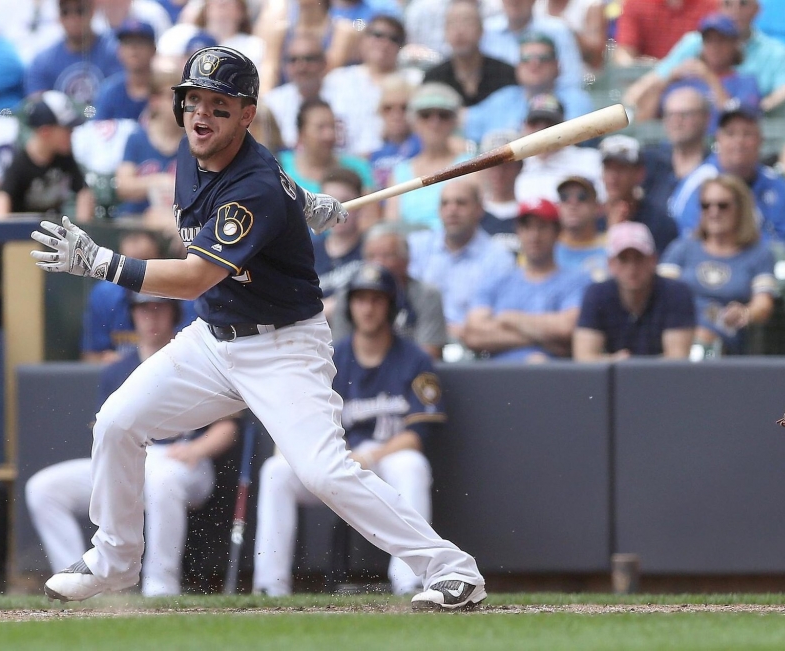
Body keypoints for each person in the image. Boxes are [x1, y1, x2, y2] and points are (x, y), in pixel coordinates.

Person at [31, 45, 486, 610]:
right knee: (118, 422)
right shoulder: (200, 154)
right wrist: (304, 201)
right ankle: (115, 558)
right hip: (214, 338)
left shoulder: (257, 187)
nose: (202, 116)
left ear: (246, 115)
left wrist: (105, 264)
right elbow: (277, 185)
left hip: (283, 346)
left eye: (219, 106)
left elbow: (195, 275)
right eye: (193, 100)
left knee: (322, 473)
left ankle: (450, 568)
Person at [26, 293, 239, 597]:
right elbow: (104, 432)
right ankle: (83, 584)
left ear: (173, 312)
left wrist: (196, 450)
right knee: (44, 488)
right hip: (131, 457)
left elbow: (227, 427)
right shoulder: (116, 369)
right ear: (133, 315)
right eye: (144, 310)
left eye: (159, 308)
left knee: (161, 478)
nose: (151, 317)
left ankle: (160, 586)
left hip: (180, 458)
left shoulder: (195, 362)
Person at [252, 263, 445, 596]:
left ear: (391, 306)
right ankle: (270, 585)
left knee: (412, 465)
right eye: (360, 299)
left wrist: (371, 455)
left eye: (376, 300)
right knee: (275, 471)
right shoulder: (329, 357)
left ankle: (410, 580)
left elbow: (418, 436)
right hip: (335, 459)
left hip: (384, 458)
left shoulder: (415, 359)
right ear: (349, 305)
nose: (367, 308)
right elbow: (301, 418)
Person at [659, 174, 777, 354]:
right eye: (706, 205)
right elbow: (658, 292)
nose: (714, 212)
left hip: (727, 338)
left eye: (723, 205)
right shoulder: (682, 249)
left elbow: (763, 304)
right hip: (678, 330)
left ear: (741, 208)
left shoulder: (759, 254)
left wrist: (745, 313)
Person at [461, 198, 590, 361]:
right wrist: (545, 339)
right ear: (518, 231)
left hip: (552, 378)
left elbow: (567, 329)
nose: (534, 236)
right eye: (527, 227)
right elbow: (473, 334)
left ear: (557, 232)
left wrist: (508, 318)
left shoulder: (577, 281)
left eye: (542, 227)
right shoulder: (496, 281)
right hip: (496, 378)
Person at [633, 0, 785, 113]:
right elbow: (653, 81)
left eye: (743, 3)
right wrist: (668, 80)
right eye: (728, 3)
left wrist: (756, 111)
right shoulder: (692, 43)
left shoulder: (771, 57)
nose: (736, 9)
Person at [670, 101, 785, 247]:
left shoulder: (779, 186)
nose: (739, 141)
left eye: (747, 134)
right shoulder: (697, 184)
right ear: (718, 139)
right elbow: (689, 242)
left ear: (761, 140)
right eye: (731, 133)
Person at [408, 178, 516, 340]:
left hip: (471, 348)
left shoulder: (499, 258)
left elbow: (501, 317)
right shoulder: (416, 246)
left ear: (479, 210)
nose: (452, 210)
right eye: (445, 204)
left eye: (461, 203)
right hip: (418, 340)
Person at [573, 221, 696, 360]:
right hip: (621, 378)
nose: (632, 268)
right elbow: (583, 357)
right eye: (623, 259)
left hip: (661, 381)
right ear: (610, 264)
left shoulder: (676, 293)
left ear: (653, 260)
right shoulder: (596, 294)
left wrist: (625, 366)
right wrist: (617, 363)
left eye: (639, 258)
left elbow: (677, 359)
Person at [331, 224, 448, 359]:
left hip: (408, 375)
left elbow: (429, 354)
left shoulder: (427, 295)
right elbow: (339, 353)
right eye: (371, 256)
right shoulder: (348, 294)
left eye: (387, 256)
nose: (378, 263)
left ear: (406, 260)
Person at [81, 229, 197, 362]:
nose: (133, 273)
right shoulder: (105, 295)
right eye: (126, 264)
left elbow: (196, 354)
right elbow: (91, 357)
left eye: (143, 262)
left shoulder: (185, 293)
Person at [463, 31, 592, 146]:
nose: (534, 64)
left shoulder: (576, 99)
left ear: (557, 66)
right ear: (517, 67)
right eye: (526, 59)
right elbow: (462, 121)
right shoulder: (504, 97)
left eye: (543, 58)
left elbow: (575, 139)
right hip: (505, 170)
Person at [627, 14, 761, 125]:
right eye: (709, 40)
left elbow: (735, 121)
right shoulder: (684, 82)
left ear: (734, 44)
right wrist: (667, 81)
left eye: (721, 40)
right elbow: (644, 121)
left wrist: (709, 77)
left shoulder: (746, 82)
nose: (715, 47)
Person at [321, 15, 422, 158]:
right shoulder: (337, 80)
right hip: (347, 164)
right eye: (377, 35)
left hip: (397, 160)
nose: (384, 42)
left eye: (394, 38)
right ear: (362, 40)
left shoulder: (414, 79)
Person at [0, 90, 94, 221]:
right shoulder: (21, 162)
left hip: (53, 233)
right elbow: (2, 197)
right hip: (23, 235)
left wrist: (82, 228)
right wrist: (3, 229)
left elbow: (83, 192)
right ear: (45, 132)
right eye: (67, 130)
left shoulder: (64, 157)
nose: (71, 134)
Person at [385, 83, 465, 231]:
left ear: (454, 121)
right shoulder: (400, 172)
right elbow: (392, 228)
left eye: (443, 115)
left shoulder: (471, 165)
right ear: (413, 121)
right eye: (425, 115)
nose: (435, 123)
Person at [111, 62, 183, 225]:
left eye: (186, 97)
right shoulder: (138, 138)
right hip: (136, 222)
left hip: (176, 224)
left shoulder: (193, 142)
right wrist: (157, 181)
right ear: (154, 100)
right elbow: (123, 186)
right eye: (172, 97)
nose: (180, 104)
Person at [26, 0, 122, 106]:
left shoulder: (114, 50)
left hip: (104, 120)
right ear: (58, 16)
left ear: (92, 11)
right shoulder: (43, 61)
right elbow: (36, 107)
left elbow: (121, 98)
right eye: (65, 12)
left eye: (80, 11)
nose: (73, 18)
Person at [422, 0, 516, 107]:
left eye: (467, 22)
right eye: (453, 23)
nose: (459, 31)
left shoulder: (505, 74)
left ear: (481, 30)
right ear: (445, 32)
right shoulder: (434, 79)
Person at [513, 94, 605, 204]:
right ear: (524, 127)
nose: (541, 131)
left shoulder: (591, 160)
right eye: (534, 123)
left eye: (549, 124)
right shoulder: (513, 167)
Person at [640, 87, 711, 227]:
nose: (677, 121)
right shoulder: (650, 163)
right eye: (670, 115)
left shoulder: (717, 167)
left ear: (706, 118)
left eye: (685, 114)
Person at [480, 0, 585, 92]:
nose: (514, 1)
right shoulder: (485, 31)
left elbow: (572, 82)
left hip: (553, 106)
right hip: (500, 109)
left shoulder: (558, 29)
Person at [277, 98, 373, 194]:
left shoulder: (358, 168)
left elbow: (370, 207)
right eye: (320, 127)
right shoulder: (280, 167)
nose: (329, 135)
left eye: (332, 126)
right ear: (301, 134)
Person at [263, 34, 326, 150]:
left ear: (324, 62)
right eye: (293, 60)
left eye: (309, 59)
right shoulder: (272, 102)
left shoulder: (344, 96)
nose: (301, 66)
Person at [314, 167, 365, 307]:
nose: (337, 210)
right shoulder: (307, 252)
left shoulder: (371, 249)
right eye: (329, 202)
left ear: (361, 203)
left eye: (345, 201)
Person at [612, 0, 717, 65]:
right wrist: (636, 65)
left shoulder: (711, 5)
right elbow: (623, 52)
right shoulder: (636, 4)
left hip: (695, 80)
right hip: (647, 80)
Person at [94, 19, 157, 121]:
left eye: (140, 42)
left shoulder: (164, 91)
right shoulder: (109, 91)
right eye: (127, 43)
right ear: (119, 51)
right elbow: (97, 130)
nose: (134, 49)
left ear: (153, 50)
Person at [368, 76, 421, 191]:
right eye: (388, 108)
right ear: (380, 111)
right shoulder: (374, 152)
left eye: (404, 107)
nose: (396, 114)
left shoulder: (425, 146)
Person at [477, 129, 523, 252]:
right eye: (492, 165)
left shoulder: (530, 212)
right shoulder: (473, 213)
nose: (499, 173)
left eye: (506, 165)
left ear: (519, 167)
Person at [554, 175, 607, 280]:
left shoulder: (611, 247)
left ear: (597, 207)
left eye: (582, 197)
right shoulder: (544, 248)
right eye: (564, 197)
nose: (573, 204)